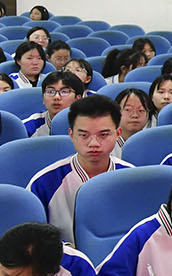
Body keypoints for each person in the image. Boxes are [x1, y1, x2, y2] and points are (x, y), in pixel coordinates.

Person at [27, 95, 134, 242]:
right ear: (71, 135)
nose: (93, 143)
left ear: (118, 134)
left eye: (103, 135)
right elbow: (30, 238)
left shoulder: (131, 178)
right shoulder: (44, 182)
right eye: (84, 135)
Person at [26, 70, 85, 136]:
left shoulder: (90, 124)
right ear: (43, 98)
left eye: (64, 92)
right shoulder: (30, 126)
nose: (56, 97)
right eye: (51, 92)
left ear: (78, 99)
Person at [115, 89, 152, 156]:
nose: (135, 115)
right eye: (128, 110)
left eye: (141, 110)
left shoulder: (153, 142)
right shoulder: (107, 143)